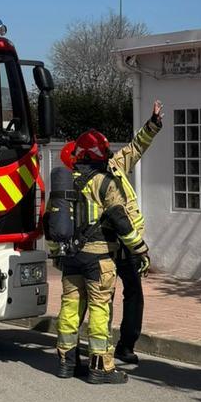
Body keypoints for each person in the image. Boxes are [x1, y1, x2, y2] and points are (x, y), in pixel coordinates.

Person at [51, 130, 150, 382]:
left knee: (70, 308)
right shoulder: (105, 182)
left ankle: (66, 363)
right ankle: (100, 367)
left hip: (70, 257)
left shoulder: (65, 181)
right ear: (100, 155)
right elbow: (120, 220)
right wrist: (140, 249)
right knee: (99, 309)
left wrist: (56, 254)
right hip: (99, 259)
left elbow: (49, 221)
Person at [106, 100, 164, 364]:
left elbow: (136, 147)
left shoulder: (115, 165)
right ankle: (101, 346)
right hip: (105, 245)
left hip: (128, 244)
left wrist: (152, 125)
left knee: (134, 294)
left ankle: (126, 345)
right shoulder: (90, 179)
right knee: (103, 296)